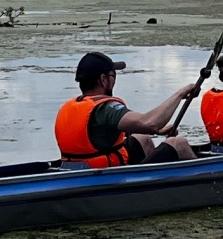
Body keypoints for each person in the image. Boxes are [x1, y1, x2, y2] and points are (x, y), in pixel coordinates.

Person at [55, 50, 202, 167]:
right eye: (113, 75)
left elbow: (102, 132)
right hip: (106, 177)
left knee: (142, 138)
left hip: (81, 169)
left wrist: (157, 131)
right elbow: (149, 122)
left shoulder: (71, 106)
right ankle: (208, 185)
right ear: (103, 80)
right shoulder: (105, 108)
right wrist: (180, 94)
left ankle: (152, 178)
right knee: (178, 143)